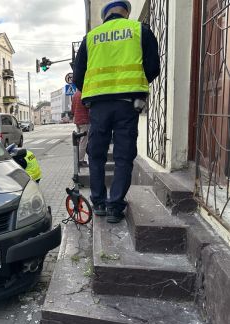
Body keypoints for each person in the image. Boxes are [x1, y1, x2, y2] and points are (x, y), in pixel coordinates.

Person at [73, 0, 160, 223]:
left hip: (98, 107)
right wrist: (134, 85)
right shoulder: (139, 30)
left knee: (97, 155)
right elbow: (153, 68)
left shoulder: (91, 37)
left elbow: (78, 77)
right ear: (126, 13)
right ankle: (115, 207)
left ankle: (99, 202)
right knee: (123, 156)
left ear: (105, 16)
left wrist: (96, 90)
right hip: (127, 104)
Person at [71, 90, 90, 167]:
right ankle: (80, 161)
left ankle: (78, 159)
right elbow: (88, 106)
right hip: (84, 120)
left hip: (77, 120)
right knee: (83, 141)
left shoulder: (75, 95)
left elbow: (72, 109)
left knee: (79, 141)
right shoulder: (84, 93)